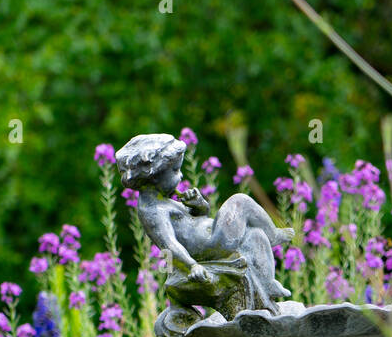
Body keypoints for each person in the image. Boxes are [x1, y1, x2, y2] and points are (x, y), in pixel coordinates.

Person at [115, 133, 292, 312]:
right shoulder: (152, 210)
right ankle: (274, 234)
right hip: (212, 245)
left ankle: (268, 283)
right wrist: (192, 266)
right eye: (175, 170)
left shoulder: (164, 199)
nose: (181, 174)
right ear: (154, 177)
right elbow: (169, 245)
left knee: (256, 236)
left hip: (214, 238)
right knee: (240, 201)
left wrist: (199, 205)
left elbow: (197, 218)